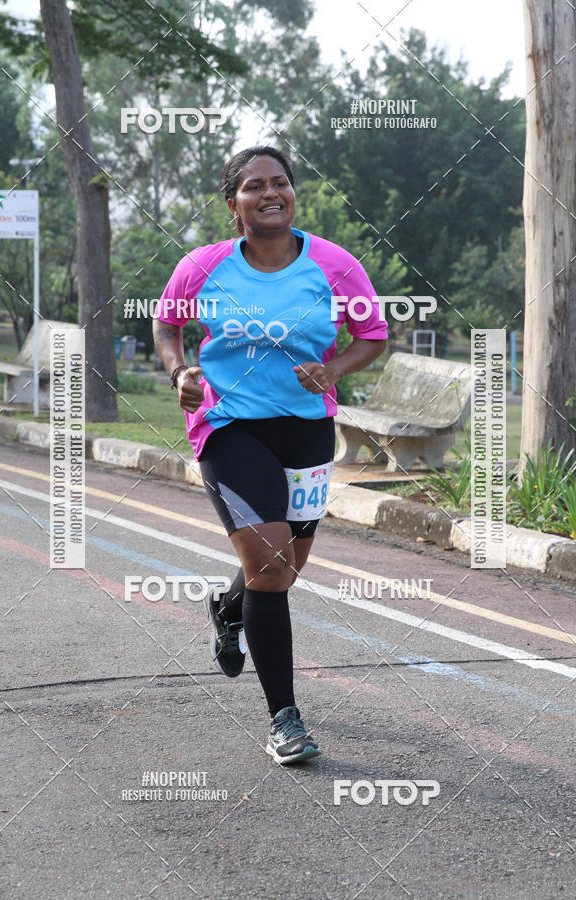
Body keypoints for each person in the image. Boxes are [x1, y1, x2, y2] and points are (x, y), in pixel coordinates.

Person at [153, 145, 387, 765]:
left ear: (292, 193)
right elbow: (166, 323)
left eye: (279, 183)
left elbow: (373, 337)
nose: (270, 193)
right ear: (234, 205)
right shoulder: (202, 266)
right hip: (228, 427)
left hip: (307, 430)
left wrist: (333, 367)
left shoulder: (335, 266)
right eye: (254, 186)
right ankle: (285, 718)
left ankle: (228, 610)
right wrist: (181, 371)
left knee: (282, 568)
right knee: (273, 560)